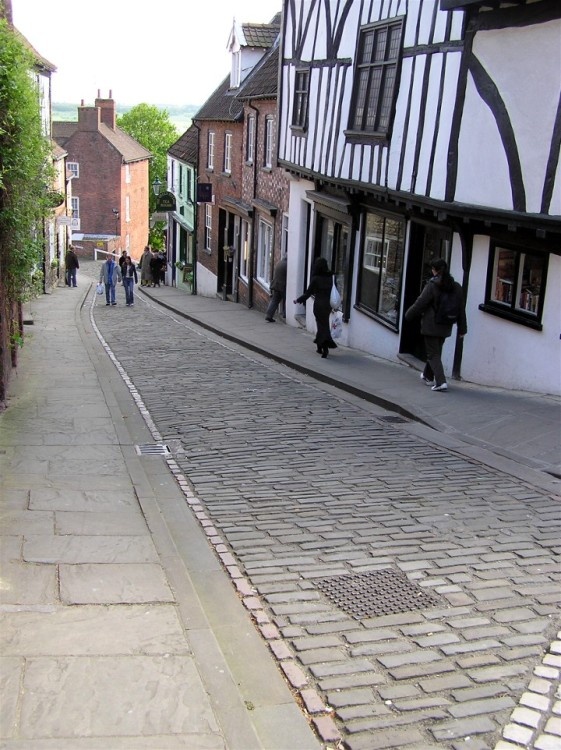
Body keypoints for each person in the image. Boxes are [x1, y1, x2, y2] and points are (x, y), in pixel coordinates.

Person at [404, 258, 467, 392]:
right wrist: (462, 328)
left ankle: (440, 381)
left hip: (431, 325)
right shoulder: (456, 286)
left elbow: (420, 303)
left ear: (435, 270)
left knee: (433, 354)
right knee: (435, 351)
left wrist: (408, 315)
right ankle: (427, 375)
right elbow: (461, 308)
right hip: (446, 324)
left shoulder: (432, 285)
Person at [294, 256, 338, 358]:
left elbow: (308, 293)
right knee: (323, 324)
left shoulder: (316, 279)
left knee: (322, 325)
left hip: (318, 304)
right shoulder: (330, 278)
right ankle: (319, 346)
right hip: (328, 305)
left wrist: (298, 300)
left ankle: (325, 346)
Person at [265, 255, 287, 322]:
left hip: (275, 285)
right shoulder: (287, 265)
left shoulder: (279, 263)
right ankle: (285, 314)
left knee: (274, 300)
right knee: (286, 300)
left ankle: (269, 315)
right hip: (283, 286)